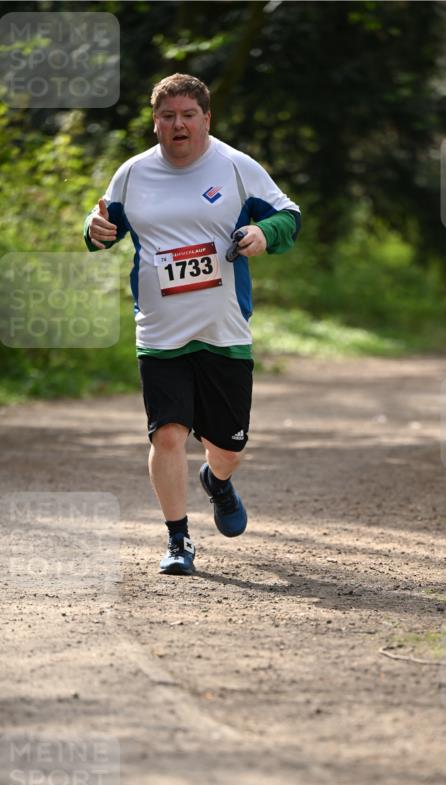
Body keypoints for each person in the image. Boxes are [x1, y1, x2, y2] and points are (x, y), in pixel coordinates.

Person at [84, 74, 300, 575]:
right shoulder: (134, 173)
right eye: (167, 116)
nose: (177, 124)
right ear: (155, 122)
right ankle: (178, 540)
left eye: (187, 115)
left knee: (227, 448)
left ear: (206, 118)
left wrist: (263, 232)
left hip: (223, 330)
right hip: (159, 331)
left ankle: (218, 481)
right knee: (167, 436)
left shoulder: (236, 167)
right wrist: (92, 231)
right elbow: (101, 227)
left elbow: (289, 217)